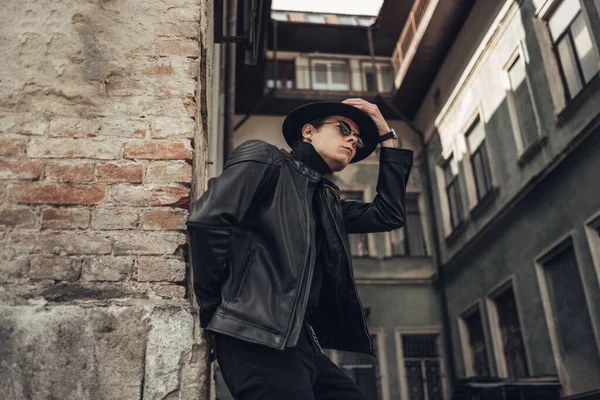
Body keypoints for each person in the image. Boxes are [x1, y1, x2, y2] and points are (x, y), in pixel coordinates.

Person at [187, 98, 413, 400]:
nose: (352, 140)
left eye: (358, 140)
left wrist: (386, 136)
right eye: (344, 128)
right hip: (255, 335)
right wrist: (217, 311)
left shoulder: (327, 201)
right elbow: (208, 221)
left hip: (300, 342)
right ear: (308, 131)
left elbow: (388, 214)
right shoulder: (266, 159)